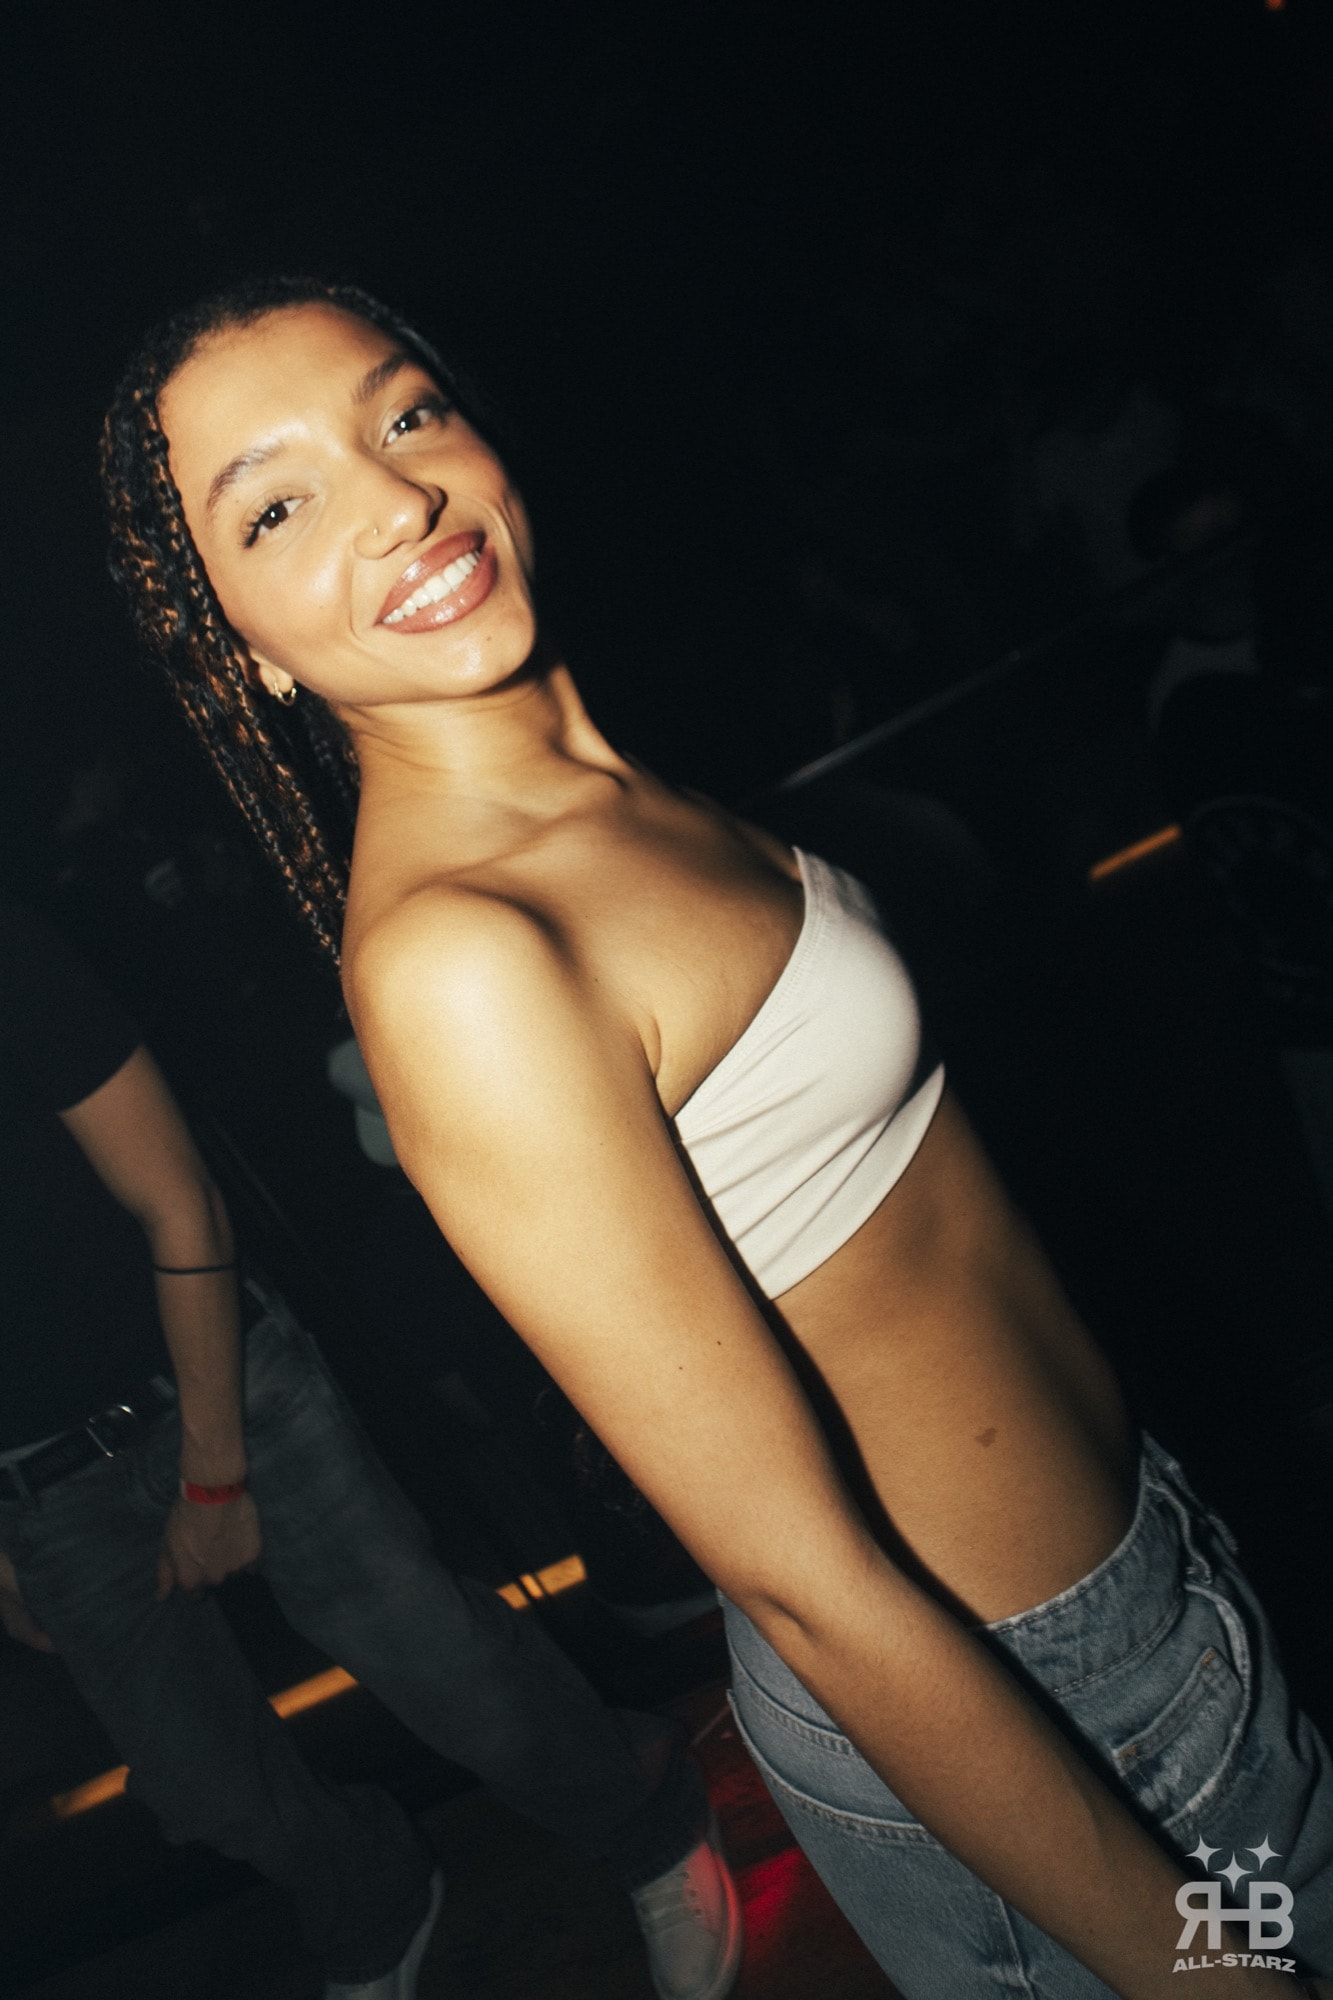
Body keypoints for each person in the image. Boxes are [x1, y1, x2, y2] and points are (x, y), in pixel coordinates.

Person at [97, 274, 1333, 2000]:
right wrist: (1209, 1979)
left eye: (404, 414)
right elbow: (809, 1584)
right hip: (1033, 1727)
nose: (394, 500)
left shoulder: (597, 790)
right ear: (235, 646)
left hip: (1142, 1581)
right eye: (277, 508)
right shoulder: (467, 957)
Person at [0, 891, 741, 2000]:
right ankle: (373, 1899)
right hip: (39, 1486)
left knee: (439, 1662)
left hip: (216, 1384)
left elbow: (181, 1202)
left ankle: (645, 1823)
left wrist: (214, 1476)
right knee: (201, 1787)